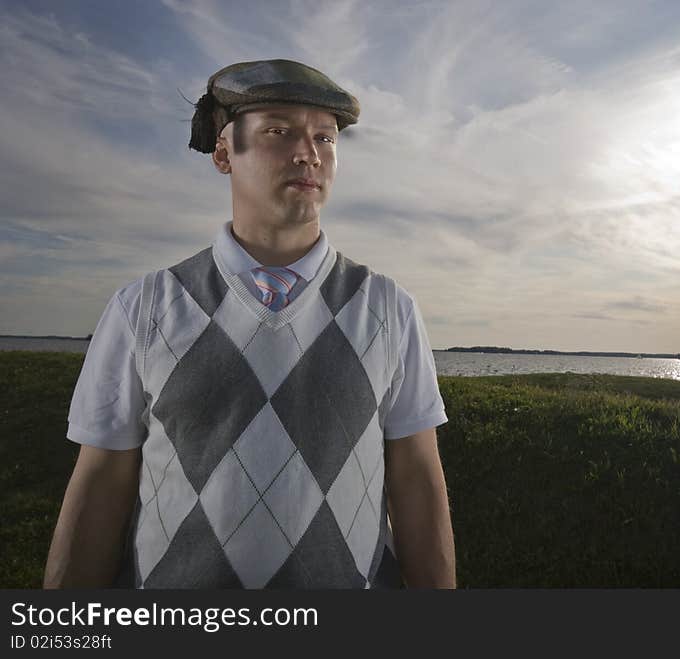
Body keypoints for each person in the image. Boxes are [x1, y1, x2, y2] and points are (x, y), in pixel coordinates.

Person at [44, 59, 455, 589]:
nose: (308, 153)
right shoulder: (143, 307)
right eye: (278, 131)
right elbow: (100, 483)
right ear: (222, 151)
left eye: (325, 138)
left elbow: (417, 480)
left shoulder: (390, 308)